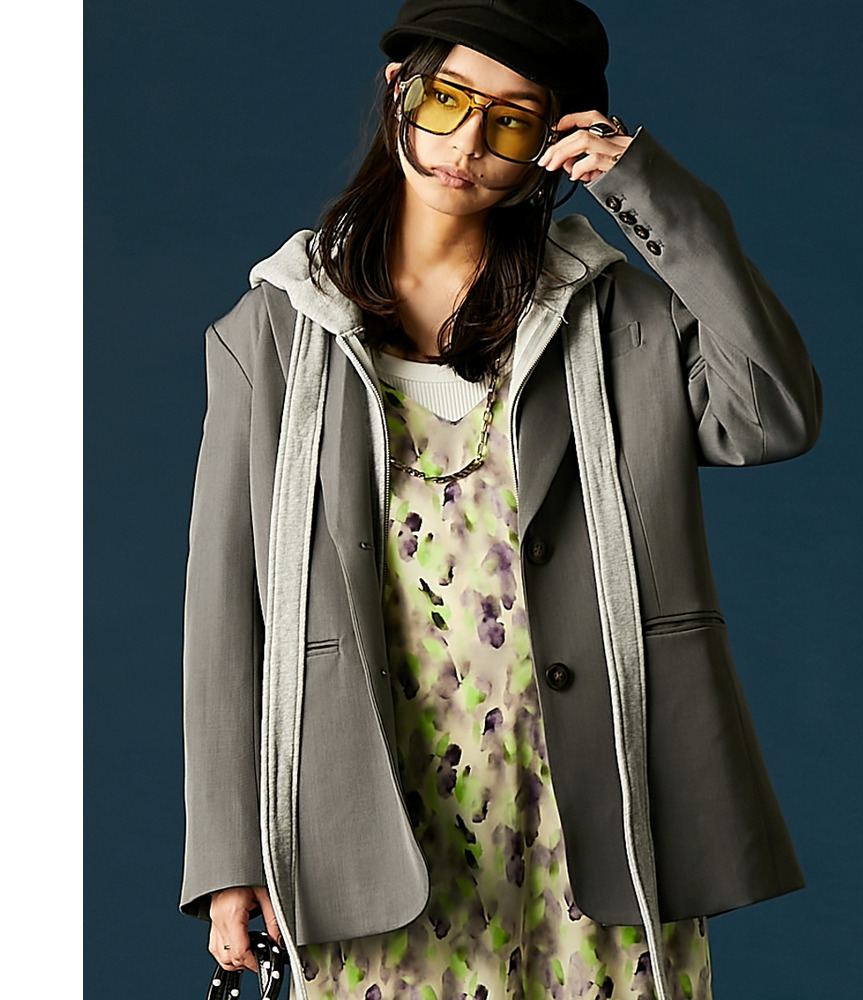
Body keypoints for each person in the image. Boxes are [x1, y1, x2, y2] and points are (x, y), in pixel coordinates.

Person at [179, 1, 822, 998]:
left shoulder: (613, 319)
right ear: (400, 94)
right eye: (447, 99)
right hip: (372, 824)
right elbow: (228, 605)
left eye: (513, 121)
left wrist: (645, 187)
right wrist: (228, 854)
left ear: (554, 141)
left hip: (599, 813)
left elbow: (771, 412)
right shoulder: (273, 331)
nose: (468, 143)